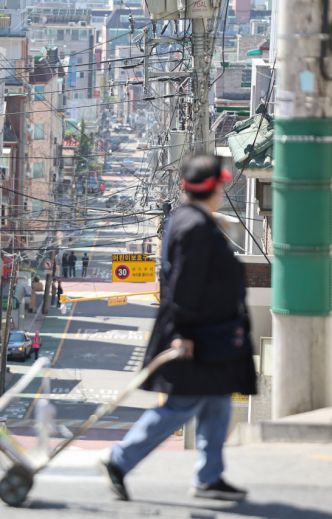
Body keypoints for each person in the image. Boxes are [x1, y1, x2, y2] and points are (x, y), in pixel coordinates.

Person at [101, 154, 257, 502]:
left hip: (212, 332)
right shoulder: (195, 228)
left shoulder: (187, 219)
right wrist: (183, 333)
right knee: (182, 404)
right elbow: (185, 285)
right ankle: (120, 459)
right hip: (197, 334)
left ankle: (210, 475)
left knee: (217, 401)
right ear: (213, 188)